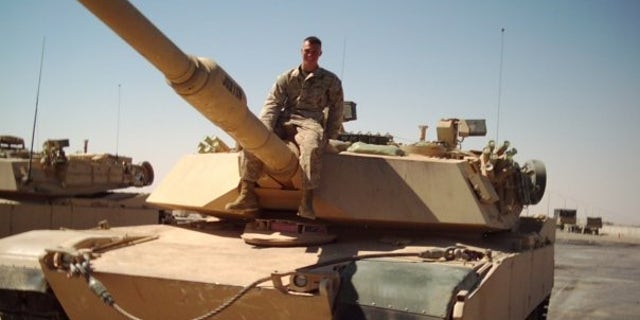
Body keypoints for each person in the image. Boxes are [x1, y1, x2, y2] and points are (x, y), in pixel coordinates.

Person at [225, 36, 344, 219]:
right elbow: (272, 104)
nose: (310, 54)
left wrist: (330, 136)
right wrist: (264, 129)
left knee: (311, 148)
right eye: (307, 51)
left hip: (310, 122)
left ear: (320, 54)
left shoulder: (330, 80)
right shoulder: (286, 78)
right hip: (285, 119)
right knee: (254, 139)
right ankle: (247, 193)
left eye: (314, 51)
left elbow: (337, 109)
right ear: (301, 51)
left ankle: (306, 201)